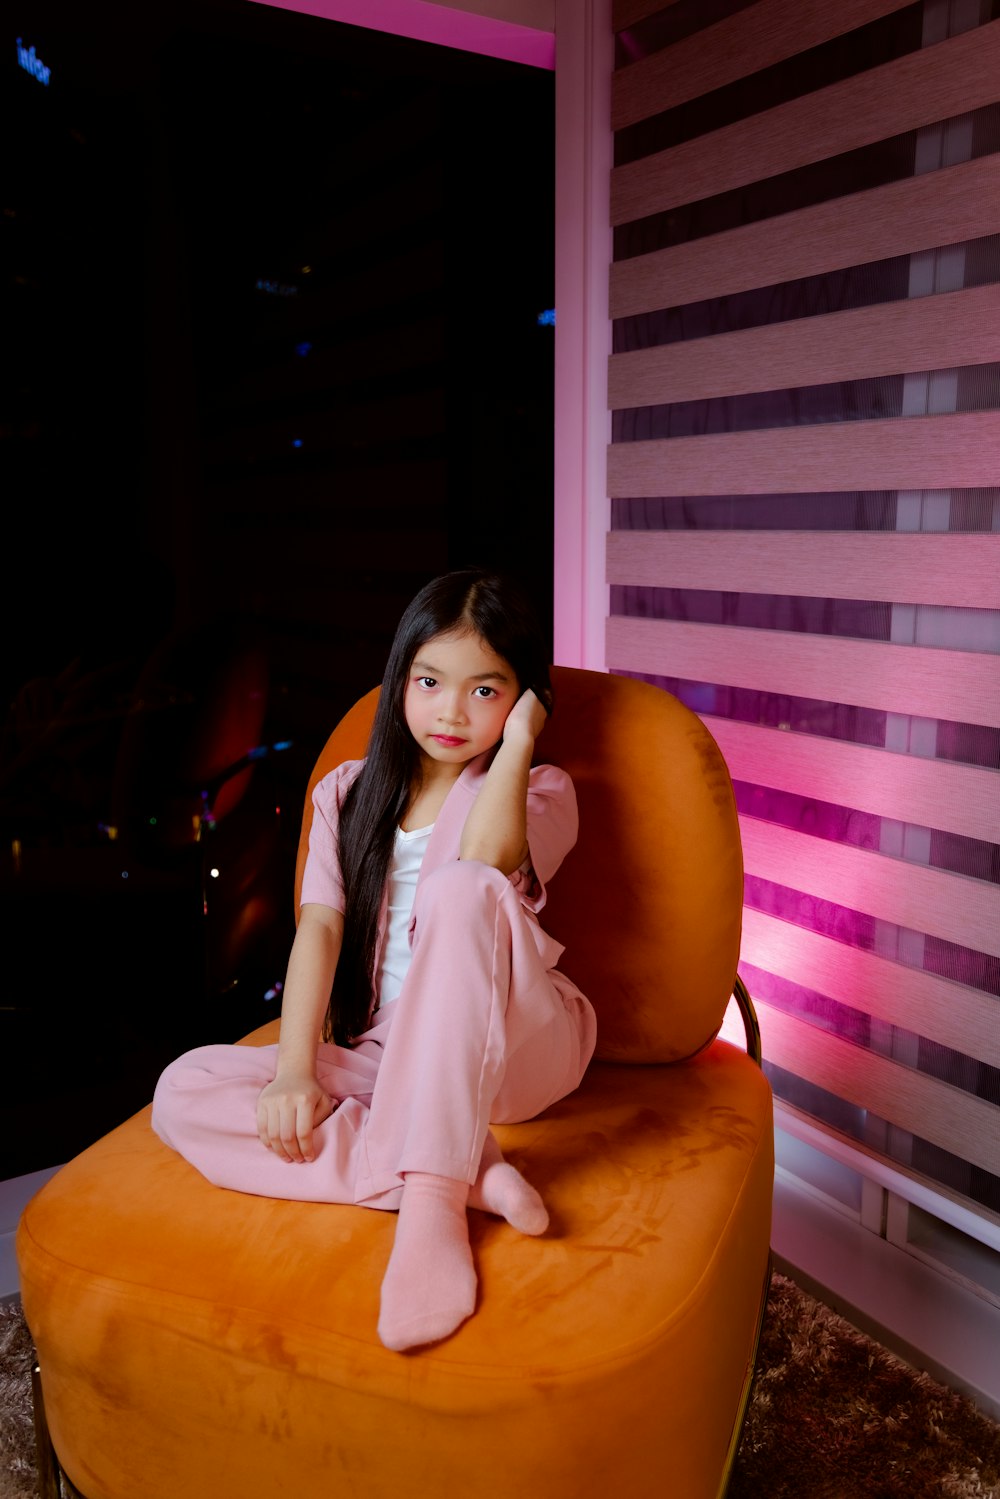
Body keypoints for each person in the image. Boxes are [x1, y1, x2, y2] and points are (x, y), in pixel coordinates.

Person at [152, 568, 597, 1352]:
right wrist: (294, 1070)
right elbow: (319, 932)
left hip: (522, 1047)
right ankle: (466, 1169)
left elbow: (488, 867)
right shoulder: (344, 795)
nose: (452, 710)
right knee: (182, 1090)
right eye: (429, 681)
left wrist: (524, 738)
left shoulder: (540, 790)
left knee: (464, 889)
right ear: (400, 680)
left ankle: (431, 1203)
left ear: (524, 697)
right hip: (386, 1056)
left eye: (487, 691)